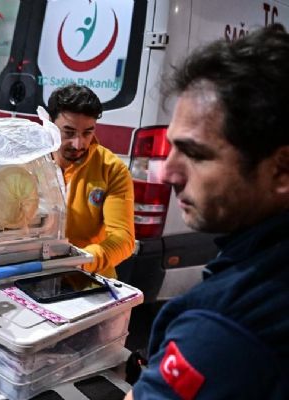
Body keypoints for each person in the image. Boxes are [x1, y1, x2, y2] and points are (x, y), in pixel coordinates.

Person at [126, 24, 289, 399]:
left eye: (196, 154)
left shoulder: (226, 326)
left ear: (280, 169)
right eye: (170, 149)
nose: (167, 172)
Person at [47, 84, 135, 278]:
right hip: (29, 272)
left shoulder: (112, 169)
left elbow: (123, 239)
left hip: (88, 277)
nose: (79, 144)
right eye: (68, 132)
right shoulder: (31, 160)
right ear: (50, 123)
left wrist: (81, 261)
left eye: (88, 133)